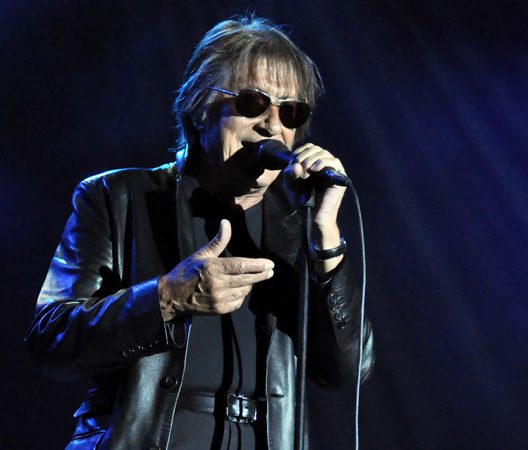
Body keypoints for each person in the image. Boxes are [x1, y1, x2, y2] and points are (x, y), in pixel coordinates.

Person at [25, 15, 375, 450]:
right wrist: (166, 299)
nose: (271, 124)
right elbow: (51, 341)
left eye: (290, 111)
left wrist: (325, 237)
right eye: (252, 101)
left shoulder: (298, 225)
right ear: (197, 106)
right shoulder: (119, 197)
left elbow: (345, 370)